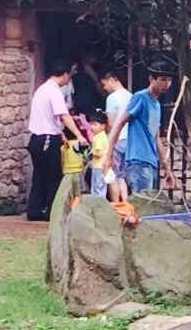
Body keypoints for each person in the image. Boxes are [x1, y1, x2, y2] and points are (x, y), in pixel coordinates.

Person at [26, 59, 87, 221]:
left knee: (39, 175)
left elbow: (49, 118)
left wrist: (61, 134)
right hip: (47, 139)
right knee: (53, 176)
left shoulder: (42, 89)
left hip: (37, 139)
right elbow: (64, 116)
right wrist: (79, 135)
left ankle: (35, 210)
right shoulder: (54, 92)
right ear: (65, 74)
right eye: (69, 76)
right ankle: (51, 211)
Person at [104, 61, 175, 196]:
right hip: (138, 161)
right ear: (152, 79)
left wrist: (166, 167)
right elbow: (119, 124)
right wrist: (108, 156)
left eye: (169, 80)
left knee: (147, 204)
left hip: (151, 162)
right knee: (142, 203)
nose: (166, 84)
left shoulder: (157, 105)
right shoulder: (140, 97)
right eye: (162, 79)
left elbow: (156, 137)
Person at [101, 70, 132, 202]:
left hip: (117, 140)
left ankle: (116, 205)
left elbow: (111, 123)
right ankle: (126, 203)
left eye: (104, 84)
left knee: (114, 175)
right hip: (130, 140)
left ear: (111, 80)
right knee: (123, 176)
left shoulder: (112, 98)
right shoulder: (131, 96)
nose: (104, 88)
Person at [88, 110, 109, 198]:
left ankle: (98, 203)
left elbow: (99, 153)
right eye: (91, 124)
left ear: (103, 126)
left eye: (95, 124)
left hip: (99, 166)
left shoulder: (98, 137)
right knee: (101, 187)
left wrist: (91, 152)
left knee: (97, 187)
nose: (92, 127)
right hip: (102, 166)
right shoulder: (103, 136)